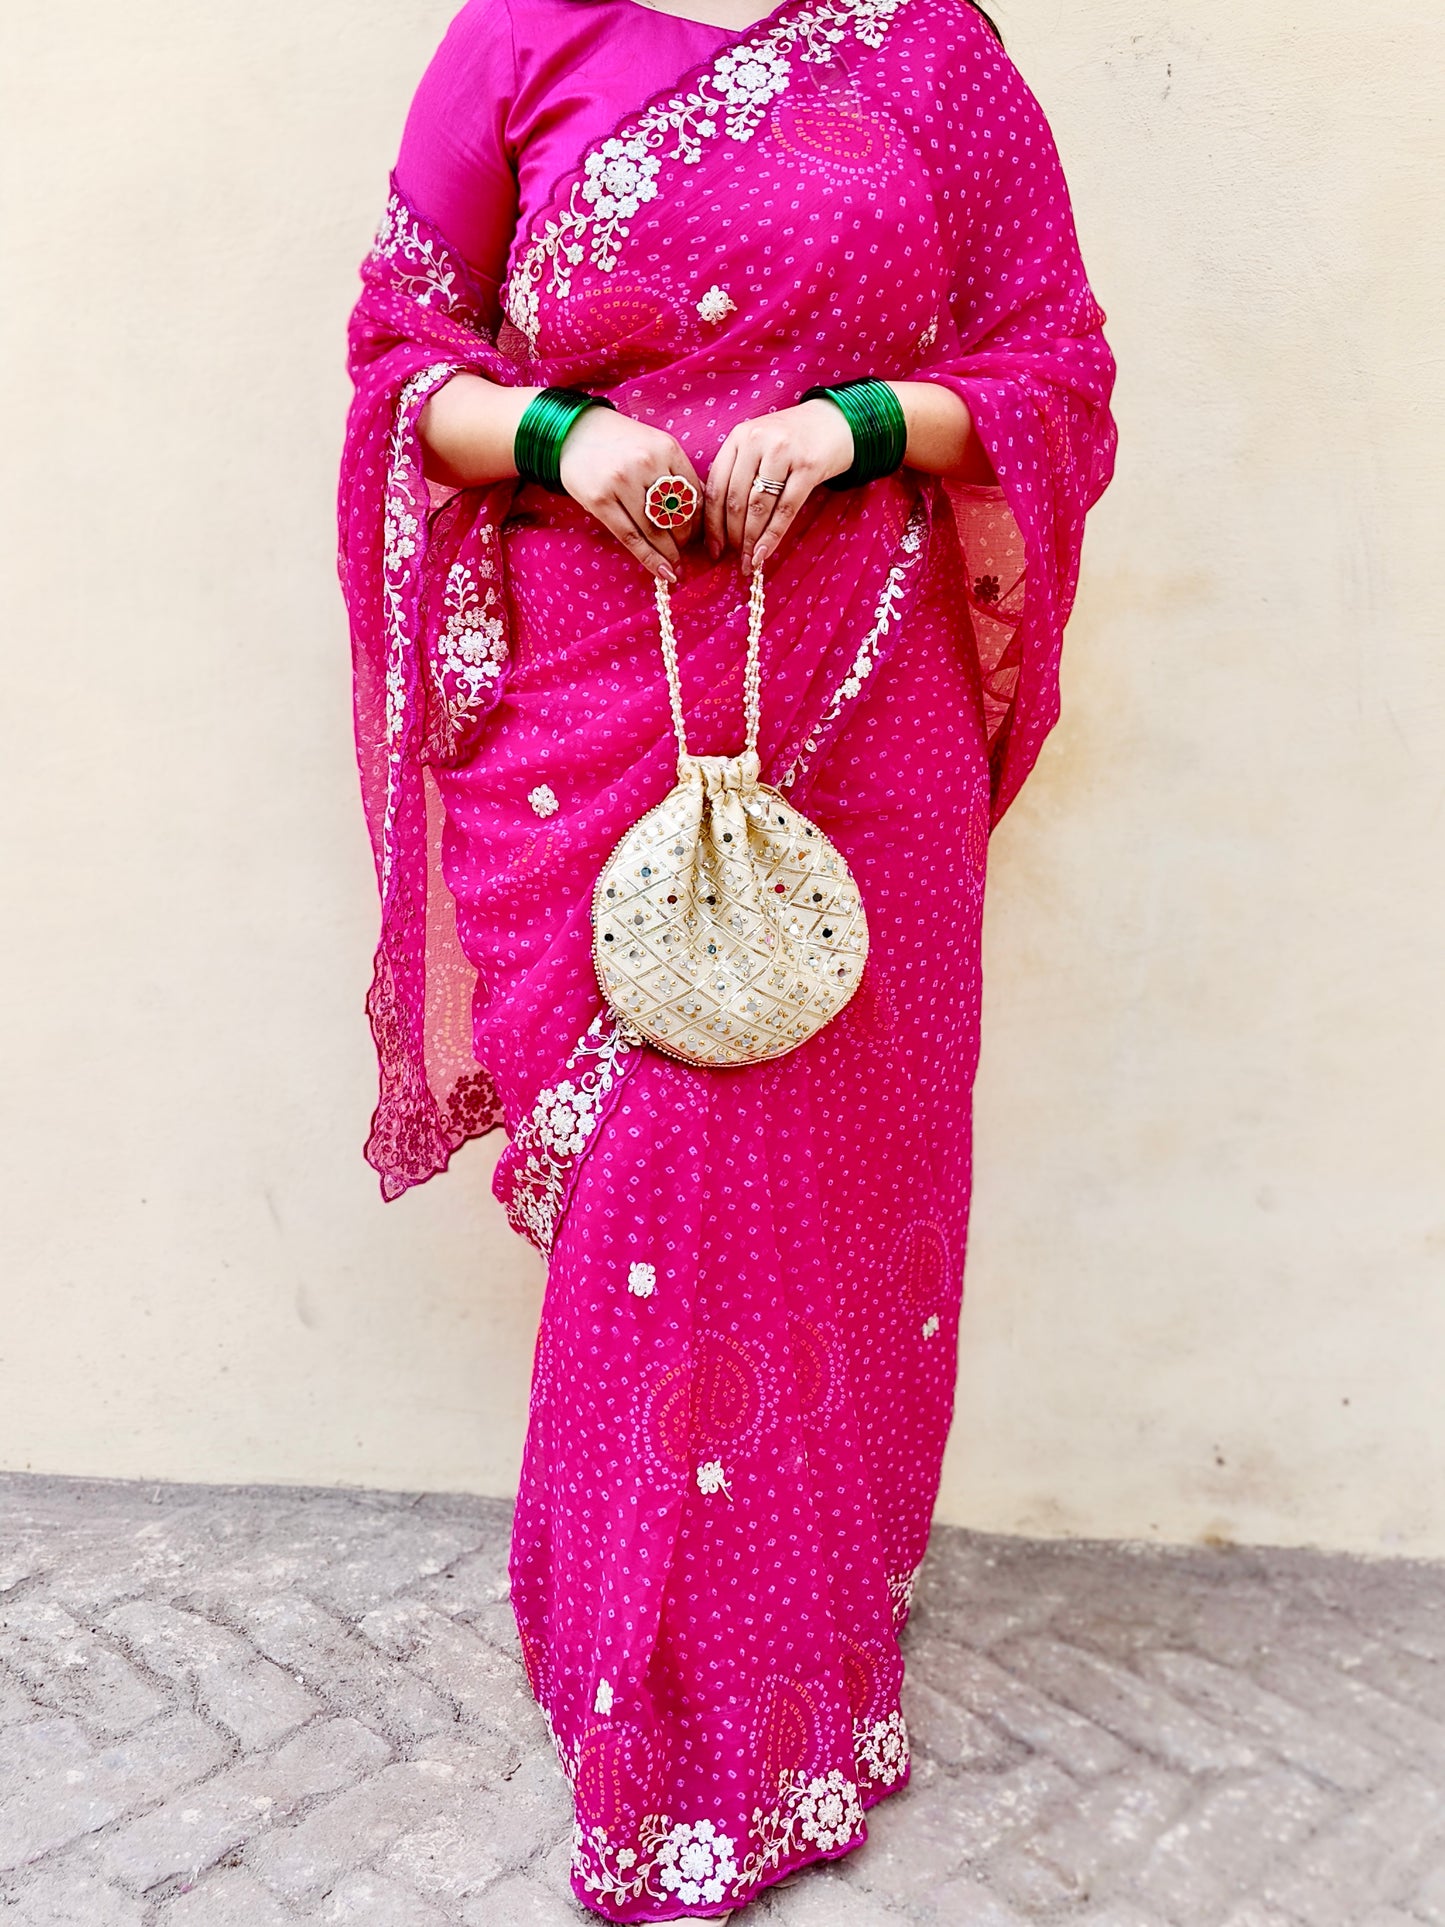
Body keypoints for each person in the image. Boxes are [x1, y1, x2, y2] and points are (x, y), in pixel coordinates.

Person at [338, 0, 1116, 1915]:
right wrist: (558, 433)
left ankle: (777, 1685)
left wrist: (858, 426)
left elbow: (1059, 371)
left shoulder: (929, 50)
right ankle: (642, 1676)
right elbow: (392, 363)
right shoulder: (522, 36)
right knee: (660, 1192)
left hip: (858, 704)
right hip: (593, 705)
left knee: (818, 1194)